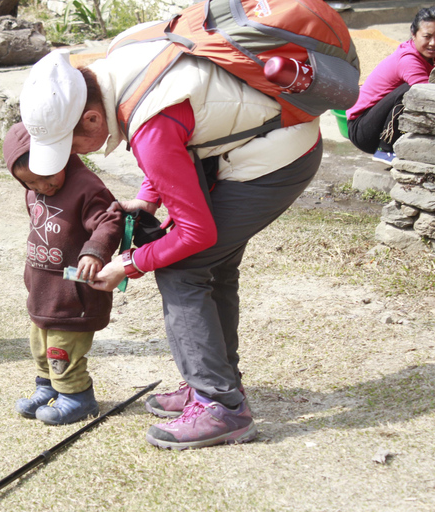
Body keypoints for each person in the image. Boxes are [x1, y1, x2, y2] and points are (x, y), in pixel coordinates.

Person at [19, 46, 323, 449]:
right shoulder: (115, 72)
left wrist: (128, 265)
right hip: (270, 139)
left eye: (71, 145)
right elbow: (180, 136)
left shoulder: (147, 124)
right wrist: (148, 197)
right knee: (213, 267)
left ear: (91, 117)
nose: (74, 156)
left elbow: (196, 231)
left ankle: (220, 405)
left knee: (185, 267)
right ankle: (213, 382)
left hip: (273, 159)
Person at [2, 122, 123, 425]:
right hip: (43, 291)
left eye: (46, 176)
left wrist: (94, 251)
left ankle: (77, 396)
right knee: (40, 345)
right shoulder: (35, 190)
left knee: (62, 349)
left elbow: (109, 220)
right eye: (31, 184)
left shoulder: (85, 185)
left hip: (74, 294)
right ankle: (48, 386)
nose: (43, 187)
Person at [347, 7, 435, 164]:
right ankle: (385, 150)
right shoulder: (409, 60)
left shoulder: (428, 56)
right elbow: (428, 97)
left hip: (377, 122)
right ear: (414, 35)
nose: (432, 43)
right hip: (362, 130)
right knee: (413, 92)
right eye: (427, 37)